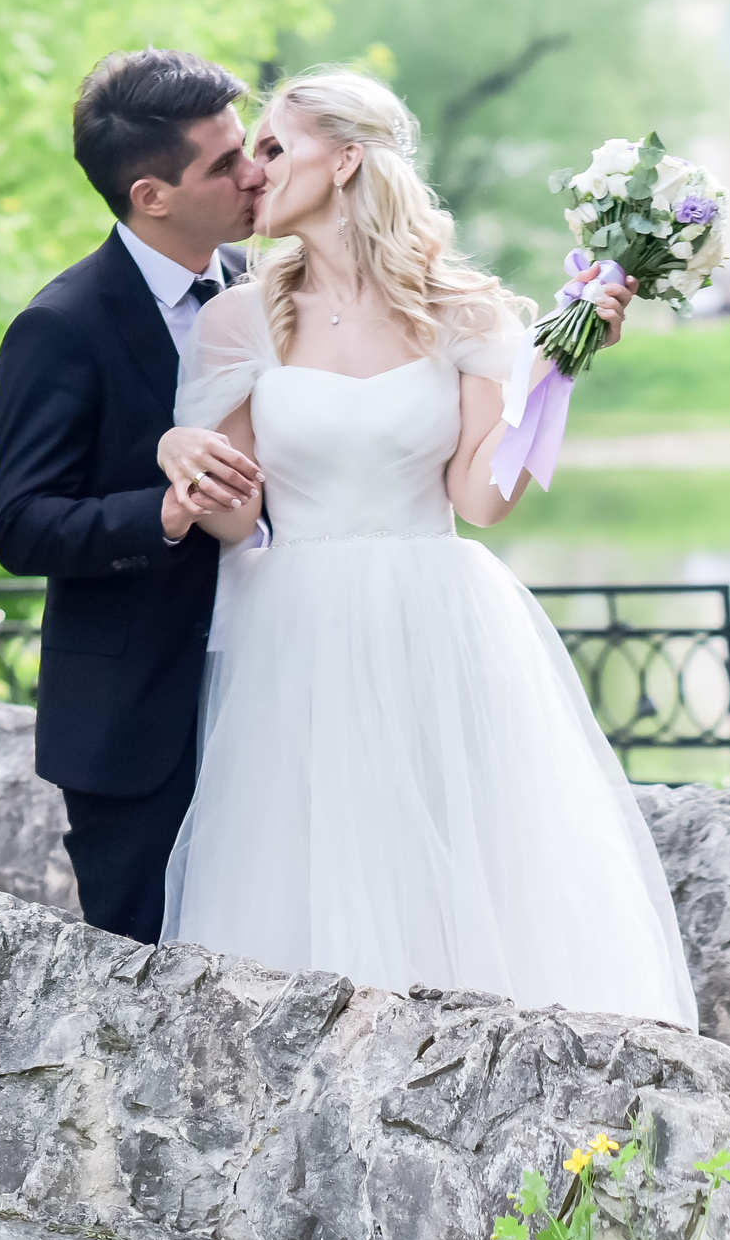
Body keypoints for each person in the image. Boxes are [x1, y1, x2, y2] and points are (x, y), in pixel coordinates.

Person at [151, 69, 697, 1028]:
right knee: (311, 880)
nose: (253, 169)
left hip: (437, 621)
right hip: (299, 632)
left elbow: (481, 499)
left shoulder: (466, 308)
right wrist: (179, 455)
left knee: (465, 872)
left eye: (274, 146)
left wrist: (552, 372)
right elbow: (238, 516)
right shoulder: (240, 315)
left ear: (345, 159)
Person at [0, 50, 271, 942]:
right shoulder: (60, 325)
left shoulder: (269, 292)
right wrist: (166, 511)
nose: (254, 173)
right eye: (225, 164)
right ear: (152, 195)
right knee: (149, 975)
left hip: (279, 688)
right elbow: (22, 524)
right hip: (136, 726)